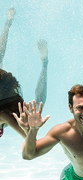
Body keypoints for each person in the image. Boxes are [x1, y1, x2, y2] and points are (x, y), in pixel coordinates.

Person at [0, 8, 48, 138]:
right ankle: (45, 63)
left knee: (35, 107)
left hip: (6, 111)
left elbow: (30, 142)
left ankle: (45, 63)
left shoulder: (5, 115)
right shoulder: (5, 116)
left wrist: (31, 128)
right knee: (36, 105)